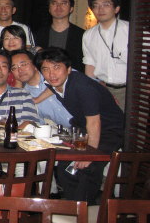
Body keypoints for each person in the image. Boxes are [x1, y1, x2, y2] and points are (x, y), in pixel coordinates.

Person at [35, 47, 124, 204]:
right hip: (85, 129)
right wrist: (36, 100)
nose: (51, 74)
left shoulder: (83, 87)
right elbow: (52, 88)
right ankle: (73, 206)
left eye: (56, 67)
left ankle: (84, 208)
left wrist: (89, 155)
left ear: (69, 69)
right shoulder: (54, 82)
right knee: (65, 166)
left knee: (88, 168)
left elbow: (94, 123)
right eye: (46, 69)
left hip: (109, 130)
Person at [82, 0, 128, 110]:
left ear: (116, 9)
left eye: (106, 4)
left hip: (131, 88)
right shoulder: (88, 35)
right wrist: (94, 88)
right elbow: (90, 65)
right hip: (104, 89)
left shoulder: (130, 29)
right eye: (96, 5)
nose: (100, 9)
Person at [9, 50, 72, 128]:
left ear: (35, 65)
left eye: (23, 64)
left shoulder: (56, 74)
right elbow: (39, 123)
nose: (20, 70)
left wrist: (38, 99)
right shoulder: (26, 96)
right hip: (67, 132)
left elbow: (73, 76)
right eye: (14, 68)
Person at [34, 0, 84, 71]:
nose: (58, 7)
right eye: (54, 3)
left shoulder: (81, 35)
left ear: (71, 9)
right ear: (49, 9)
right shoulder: (40, 33)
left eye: (63, 3)